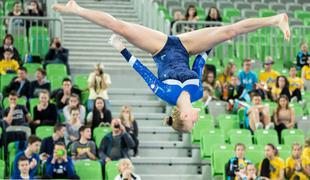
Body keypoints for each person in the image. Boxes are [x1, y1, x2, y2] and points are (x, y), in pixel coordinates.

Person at [53, 0, 290, 133]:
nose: (196, 119)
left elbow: (142, 71)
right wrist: (213, 43)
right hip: (187, 47)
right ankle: (275, 19)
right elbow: (199, 64)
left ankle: (77, 9)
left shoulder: (166, 94)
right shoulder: (197, 93)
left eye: (192, 122)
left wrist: (121, 49)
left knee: (120, 28)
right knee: (228, 30)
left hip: (160, 47)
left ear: (184, 115)